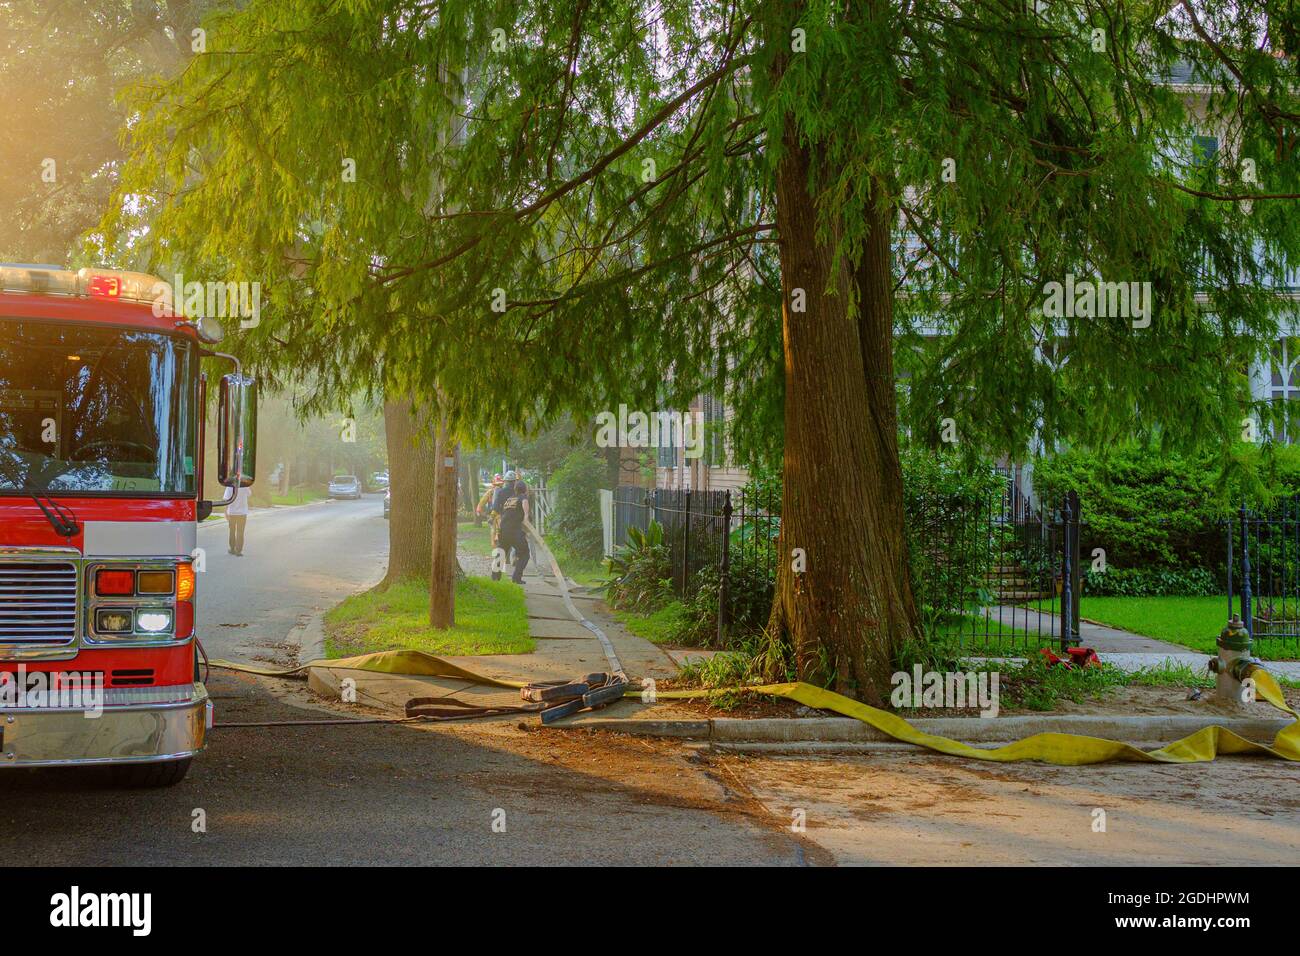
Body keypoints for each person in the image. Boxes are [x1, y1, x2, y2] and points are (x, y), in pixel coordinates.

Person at [496, 479, 531, 585]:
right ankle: (516, 578)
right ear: (524, 489)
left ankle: (495, 577)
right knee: (524, 554)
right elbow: (525, 511)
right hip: (514, 531)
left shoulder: (510, 499)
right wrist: (526, 517)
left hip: (503, 529)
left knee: (501, 553)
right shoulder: (523, 497)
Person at [227, 485, 252, 556]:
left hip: (232, 512)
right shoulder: (245, 486)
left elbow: (226, 499)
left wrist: (226, 511)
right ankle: (238, 551)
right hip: (242, 512)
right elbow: (249, 494)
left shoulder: (229, 486)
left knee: (232, 531)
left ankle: (232, 549)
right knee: (240, 532)